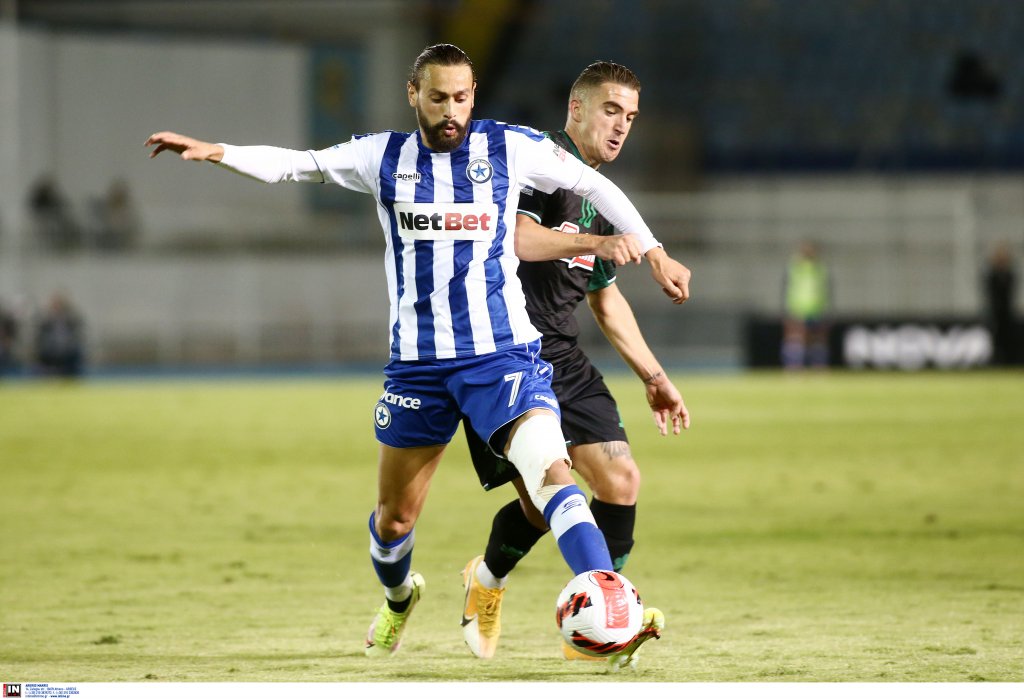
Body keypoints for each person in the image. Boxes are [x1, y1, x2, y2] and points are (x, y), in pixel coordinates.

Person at [145, 44, 691, 659]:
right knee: (395, 521)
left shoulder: (509, 147)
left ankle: (609, 603)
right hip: (419, 368)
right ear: (414, 95)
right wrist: (219, 151)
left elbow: (595, 185)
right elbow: (297, 165)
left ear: (473, 95)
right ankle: (400, 596)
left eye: (460, 98)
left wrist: (652, 250)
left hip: (502, 356)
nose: (450, 111)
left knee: (553, 477)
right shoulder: (381, 156)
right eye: (437, 98)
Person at [457, 61, 689, 665]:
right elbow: (515, 238)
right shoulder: (536, 163)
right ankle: (486, 579)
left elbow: (604, 298)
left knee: (621, 480)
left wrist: (655, 377)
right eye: (611, 110)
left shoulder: (602, 199)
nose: (622, 126)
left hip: (561, 353)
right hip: (501, 352)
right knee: (543, 504)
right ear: (576, 108)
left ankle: (605, 622)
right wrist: (596, 241)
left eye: (630, 116)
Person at [781, 240, 831, 370]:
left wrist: (825, 306)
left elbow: (824, 288)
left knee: (818, 338)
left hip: (816, 308)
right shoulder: (795, 267)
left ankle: (818, 365)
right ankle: (794, 366)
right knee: (796, 337)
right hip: (798, 307)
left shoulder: (819, 268)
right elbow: (788, 286)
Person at [34, 291, 85, 377]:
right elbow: (41, 337)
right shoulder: (46, 321)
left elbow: (76, 334)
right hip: (50, 350)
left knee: (75, 351)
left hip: (67, 350)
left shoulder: (70, 320)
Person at [983, 241, 1018, 366]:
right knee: (995, 340)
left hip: (1007, 314)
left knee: (1008, 340)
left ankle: (1009, 362)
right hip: (994, 315)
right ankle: (995, 361)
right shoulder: (991, 276)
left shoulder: (1009, 275)